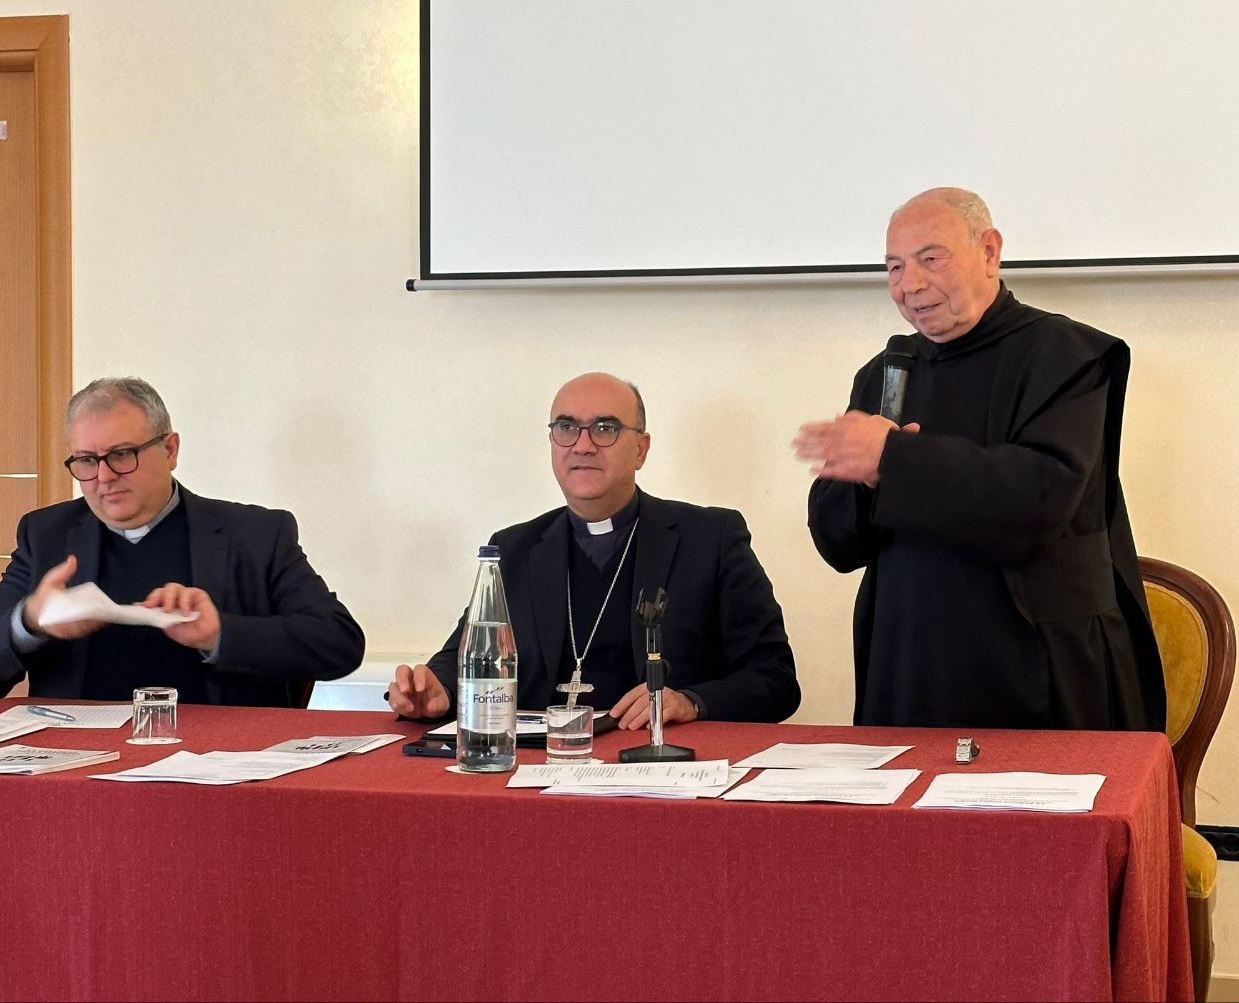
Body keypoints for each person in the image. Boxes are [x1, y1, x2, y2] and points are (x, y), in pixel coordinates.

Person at [795, 188, 1164, 731]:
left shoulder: (1068, 355)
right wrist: (866, 479)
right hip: (910, 667)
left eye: (930, 259)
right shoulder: (887, 373)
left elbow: (1042, 495)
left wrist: (894, 461)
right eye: (894, 266)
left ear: (989, 252)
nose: (909, 284)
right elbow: (837, 544)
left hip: (1039, 660)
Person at [391, 372, 800, 728]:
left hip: (658, 771)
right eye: (566, 428)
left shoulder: (710, 538)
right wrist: (438, 689)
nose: (582, 445)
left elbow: (775, 678)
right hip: (537, 772)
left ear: (641, 449)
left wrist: (690, 701)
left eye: (605, 428)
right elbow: (464, 653)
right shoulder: (513, 548)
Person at [0, 377, 364, 706]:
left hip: (220, 769)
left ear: (169, 450)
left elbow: (339, 643)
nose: (103, 477)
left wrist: (218, 634)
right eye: (85, 460)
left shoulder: (254, 534)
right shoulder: (46, 535)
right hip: (77, 773)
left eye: (121, 454)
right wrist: (28, 622)